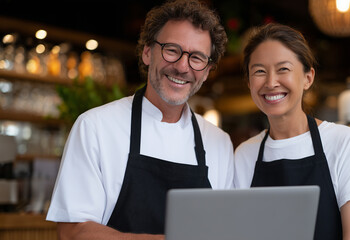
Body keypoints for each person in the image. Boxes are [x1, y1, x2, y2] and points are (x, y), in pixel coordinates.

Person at [46, 0, 233, 239]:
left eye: (196, 57)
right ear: (147, 52)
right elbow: (73, 231)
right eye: (172, 50)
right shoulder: (95, 127)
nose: (182, 66)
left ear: (206, 71)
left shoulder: (219, 143)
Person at [234, 23, 350, 240]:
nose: (270, 82)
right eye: (259, 71)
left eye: (283, 69)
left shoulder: (345, 144)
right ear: (249, 82)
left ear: (308, 78)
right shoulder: (244, 155)